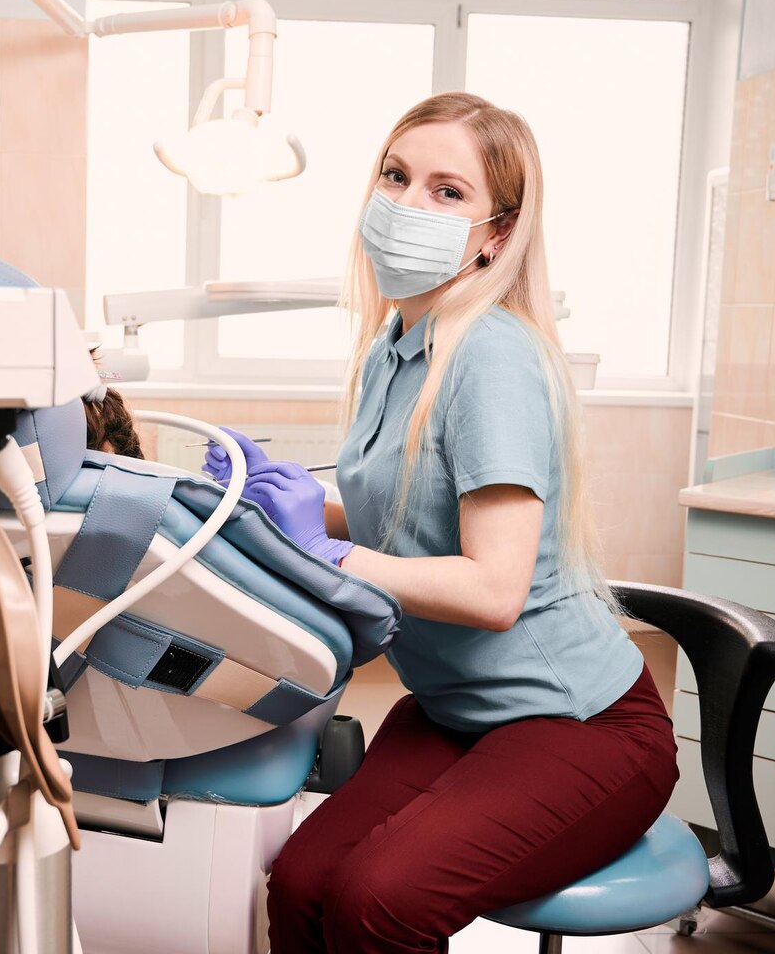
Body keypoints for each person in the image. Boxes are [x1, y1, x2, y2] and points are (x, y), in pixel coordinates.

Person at [203, 92, 678, 952]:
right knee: (305, 884)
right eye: (396, 176)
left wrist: (329, 549)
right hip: (456, 709)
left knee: (380, 901)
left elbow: (494, 588)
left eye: (447, 191)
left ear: (497, 232)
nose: (407, 205)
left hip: (580, 726)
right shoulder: (396, 345)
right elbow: (408, 515)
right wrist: (284, 506)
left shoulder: (488, 355)